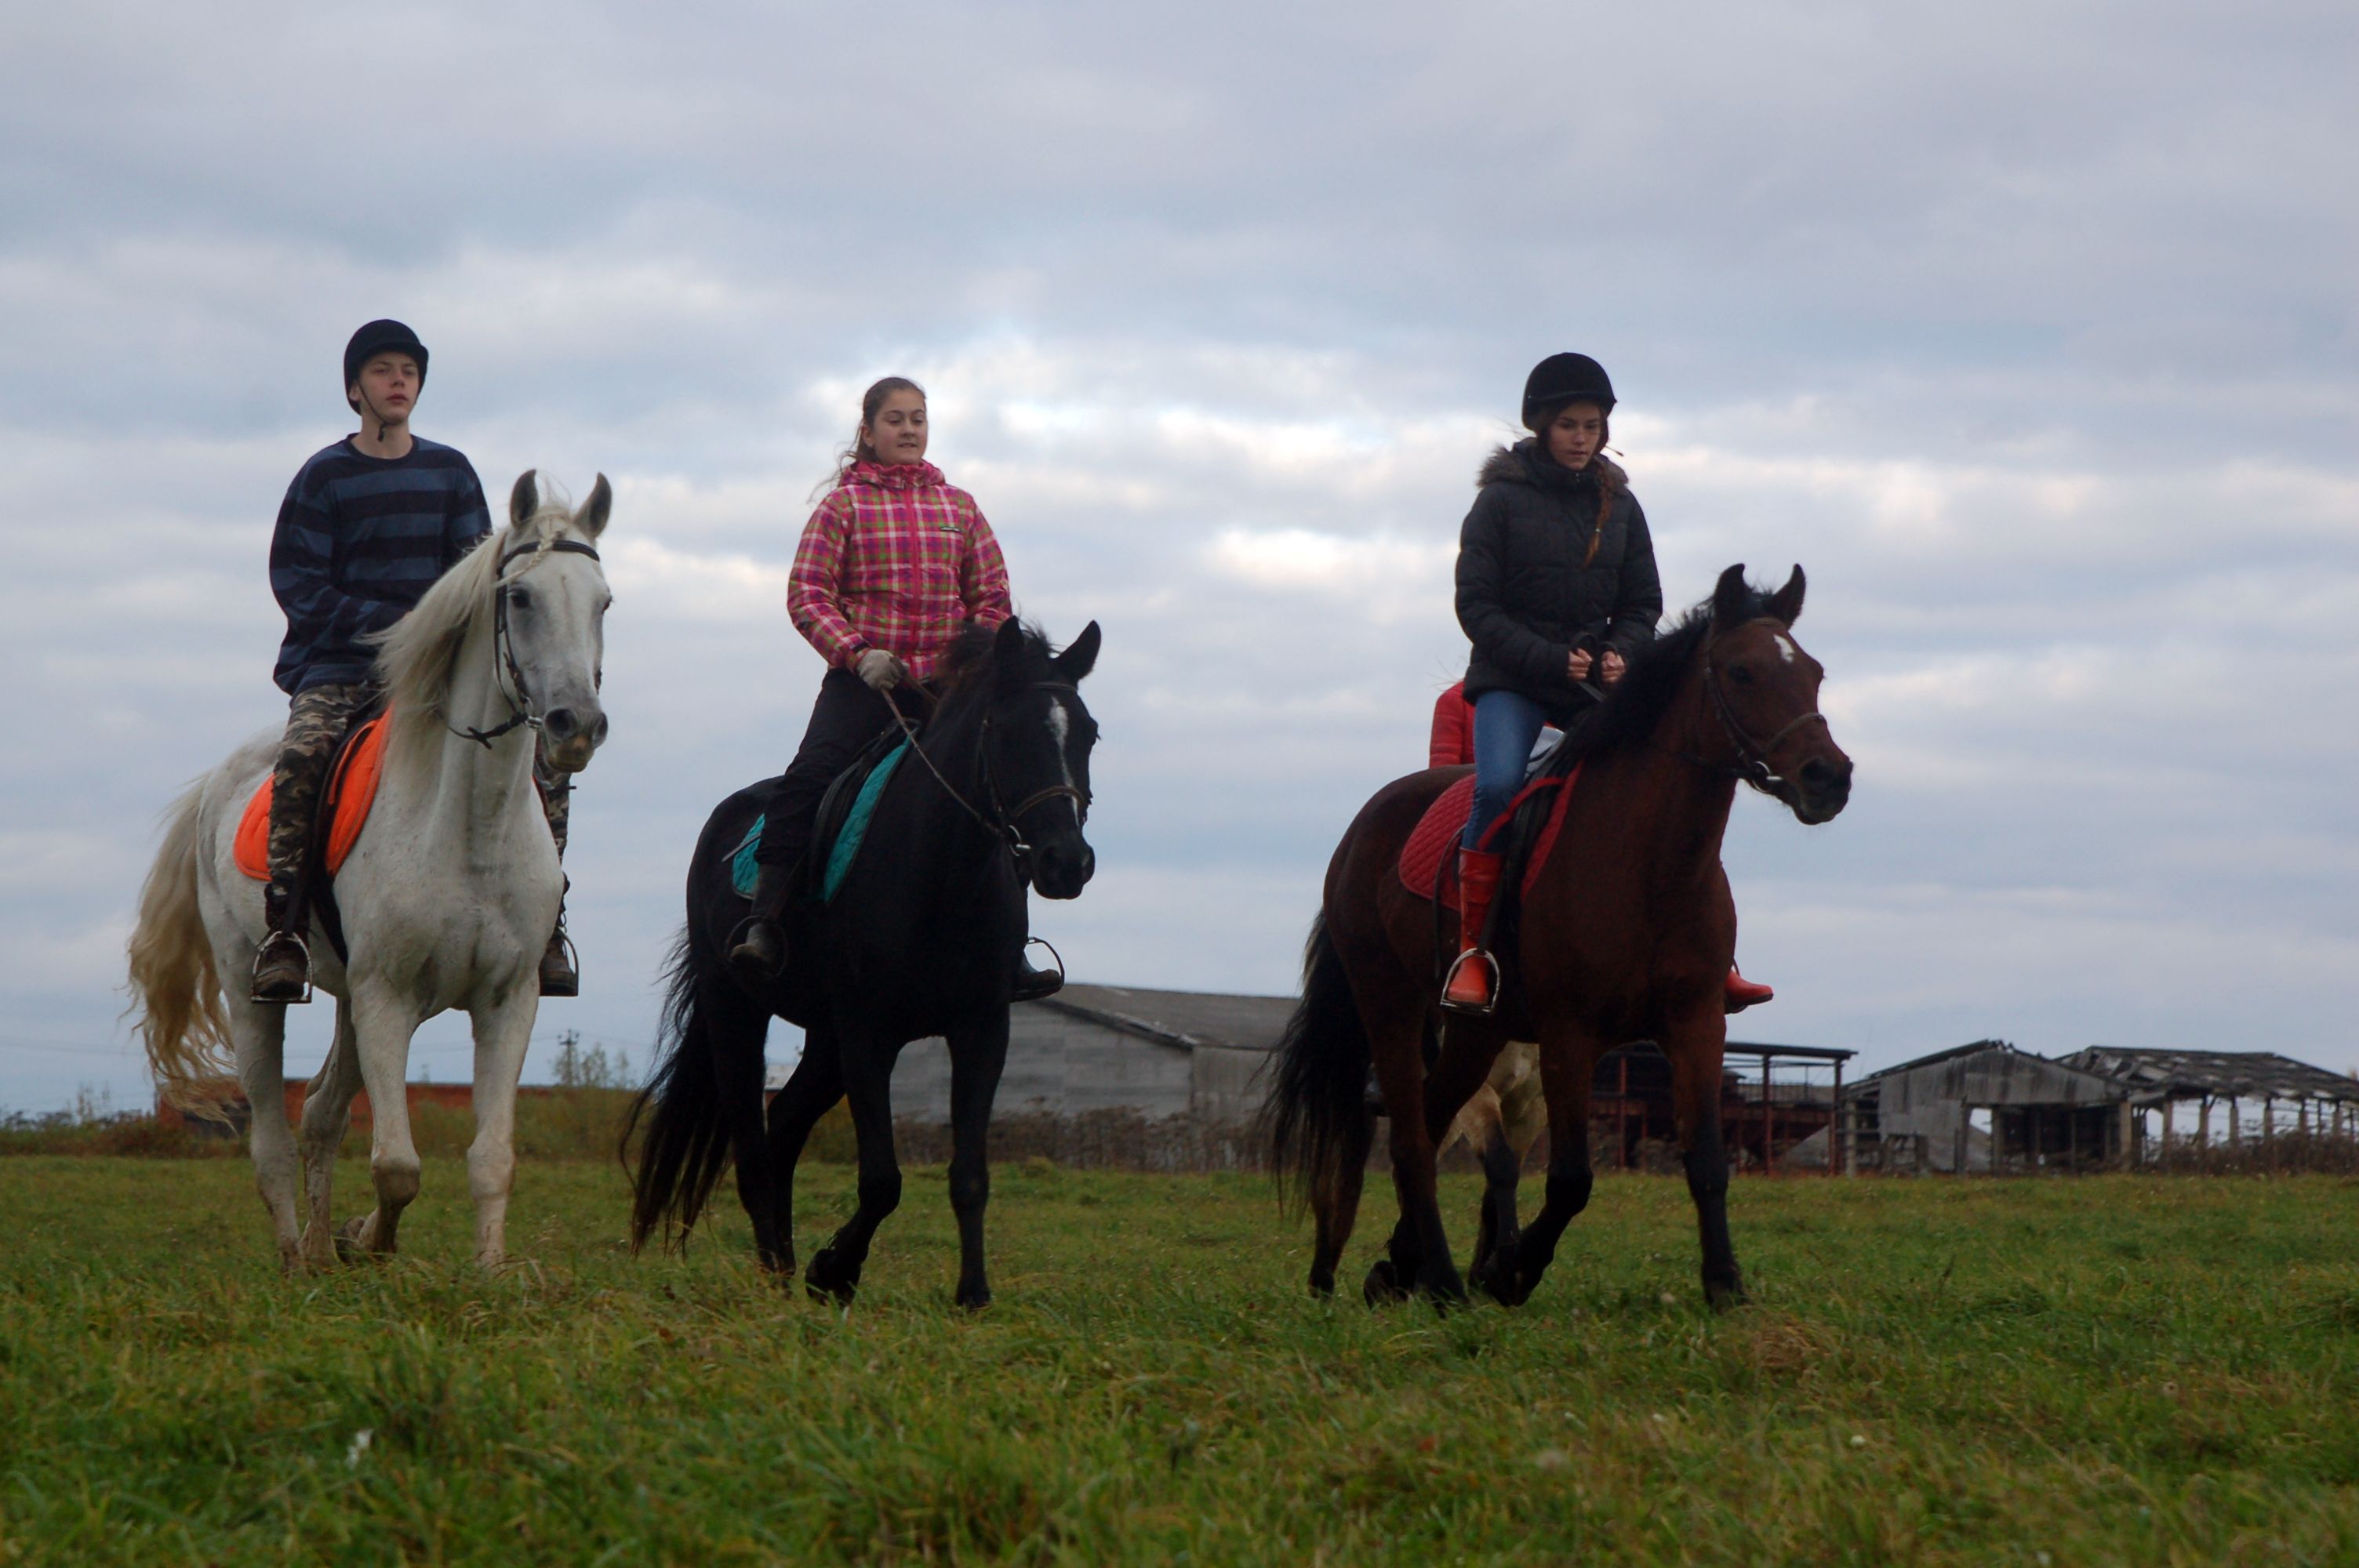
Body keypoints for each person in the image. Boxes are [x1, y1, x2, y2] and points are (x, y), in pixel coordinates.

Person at [252, 320, 579, 1003]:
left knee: (541, 758)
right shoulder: (322, 476)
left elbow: (472, 580)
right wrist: (391, 628)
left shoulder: (451, 472)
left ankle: (548, 926)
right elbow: (298, 584)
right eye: (382, 370)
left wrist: (433, 639)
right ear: (355, 390)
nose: (398, 380)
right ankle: (284, 929)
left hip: (436, 673)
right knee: (303, 757)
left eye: (408, 370)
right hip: (342, 668)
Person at [1445, 352, 1772, 1014]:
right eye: (1569, 425)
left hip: (1593, 684)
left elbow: (1642, 602)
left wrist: (1624, 652)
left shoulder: (1621, 505)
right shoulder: (1498, 502)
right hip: (1513, 681)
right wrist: (1548, 660)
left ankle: (1717, 957)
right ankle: (1471, 951)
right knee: (1500, 785)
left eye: (1592, 426)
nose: (1582, 438)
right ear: (1541, 425)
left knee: (1669, 785)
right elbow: (1476, 607)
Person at [725, 376, 1062, 1001]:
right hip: (865, 684)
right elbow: (808, 595)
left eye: (918, 419)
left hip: (947, 692)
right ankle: (765, 922)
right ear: (868, 431)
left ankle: (1010, 947)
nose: (908, 430)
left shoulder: (961, 509)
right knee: (810, 777)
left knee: (997, 787)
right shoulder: (842, 508)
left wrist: (974, 662)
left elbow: (992, 598)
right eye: (895, 420)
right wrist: (857, 655)